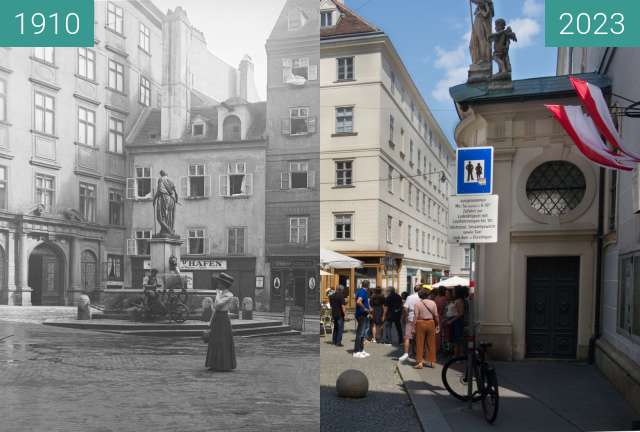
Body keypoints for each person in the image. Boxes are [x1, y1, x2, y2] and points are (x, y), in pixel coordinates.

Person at [205, 272, 238, 371]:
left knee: (222, 341)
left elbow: (217, 305)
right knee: (214, 341)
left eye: (219, 282)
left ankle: (223, 365)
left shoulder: (229, 295)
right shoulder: (220, 293)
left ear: (224, 284)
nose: (218, 284)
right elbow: (215, 309)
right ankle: (213, 364)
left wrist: (218, 295)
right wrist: (210, 322)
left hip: (223, 319)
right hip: (217, 318)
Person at [412, 289, 440, 369]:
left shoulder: (417, 304)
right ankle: (432, 361)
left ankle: (420, 362)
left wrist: (413, 326)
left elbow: (416, 316)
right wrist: (438, 324)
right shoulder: (433, 303)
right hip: (431, 322)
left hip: (420, 323)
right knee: (431, 343)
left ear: (419, 296)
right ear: (428, 295)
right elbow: (436, 315)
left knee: (419, 343)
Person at [399, 285, 422, 362]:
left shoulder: (410, 297)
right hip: (420, 318)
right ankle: (416, 353)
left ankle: (406, 353)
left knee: (408, 337)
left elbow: (405, 308)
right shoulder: (422, 297)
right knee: (418, 337)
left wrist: (406, 316)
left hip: (411, 318)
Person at [447, 285, 469, 357]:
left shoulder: (459, 301)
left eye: (454, 291)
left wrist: (451, 321)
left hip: (458, 322)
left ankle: (458, 356)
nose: (452, 292)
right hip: (456, 321)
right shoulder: (458, 300)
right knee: (457, 339)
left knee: (458, 339)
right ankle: (457, 355)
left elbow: (461, 313)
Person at [353, 280, 371, 358]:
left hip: (363, 314)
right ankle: (356, 351)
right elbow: (358, 301)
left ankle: (361, 350)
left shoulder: (361, 291)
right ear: (368, 285)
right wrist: (365, 309)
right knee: (360, 333)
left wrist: (369, 308)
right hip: (361, 314)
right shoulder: (362, 292)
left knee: (363, 333)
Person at [434, 287, 448, 352]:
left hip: (436, 316)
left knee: (437, 333)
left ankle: (437, 347)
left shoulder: (436, 298)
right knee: (444, 333)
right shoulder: (444, 299)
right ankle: (443, 347)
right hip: (443, 316)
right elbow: (443, 309)